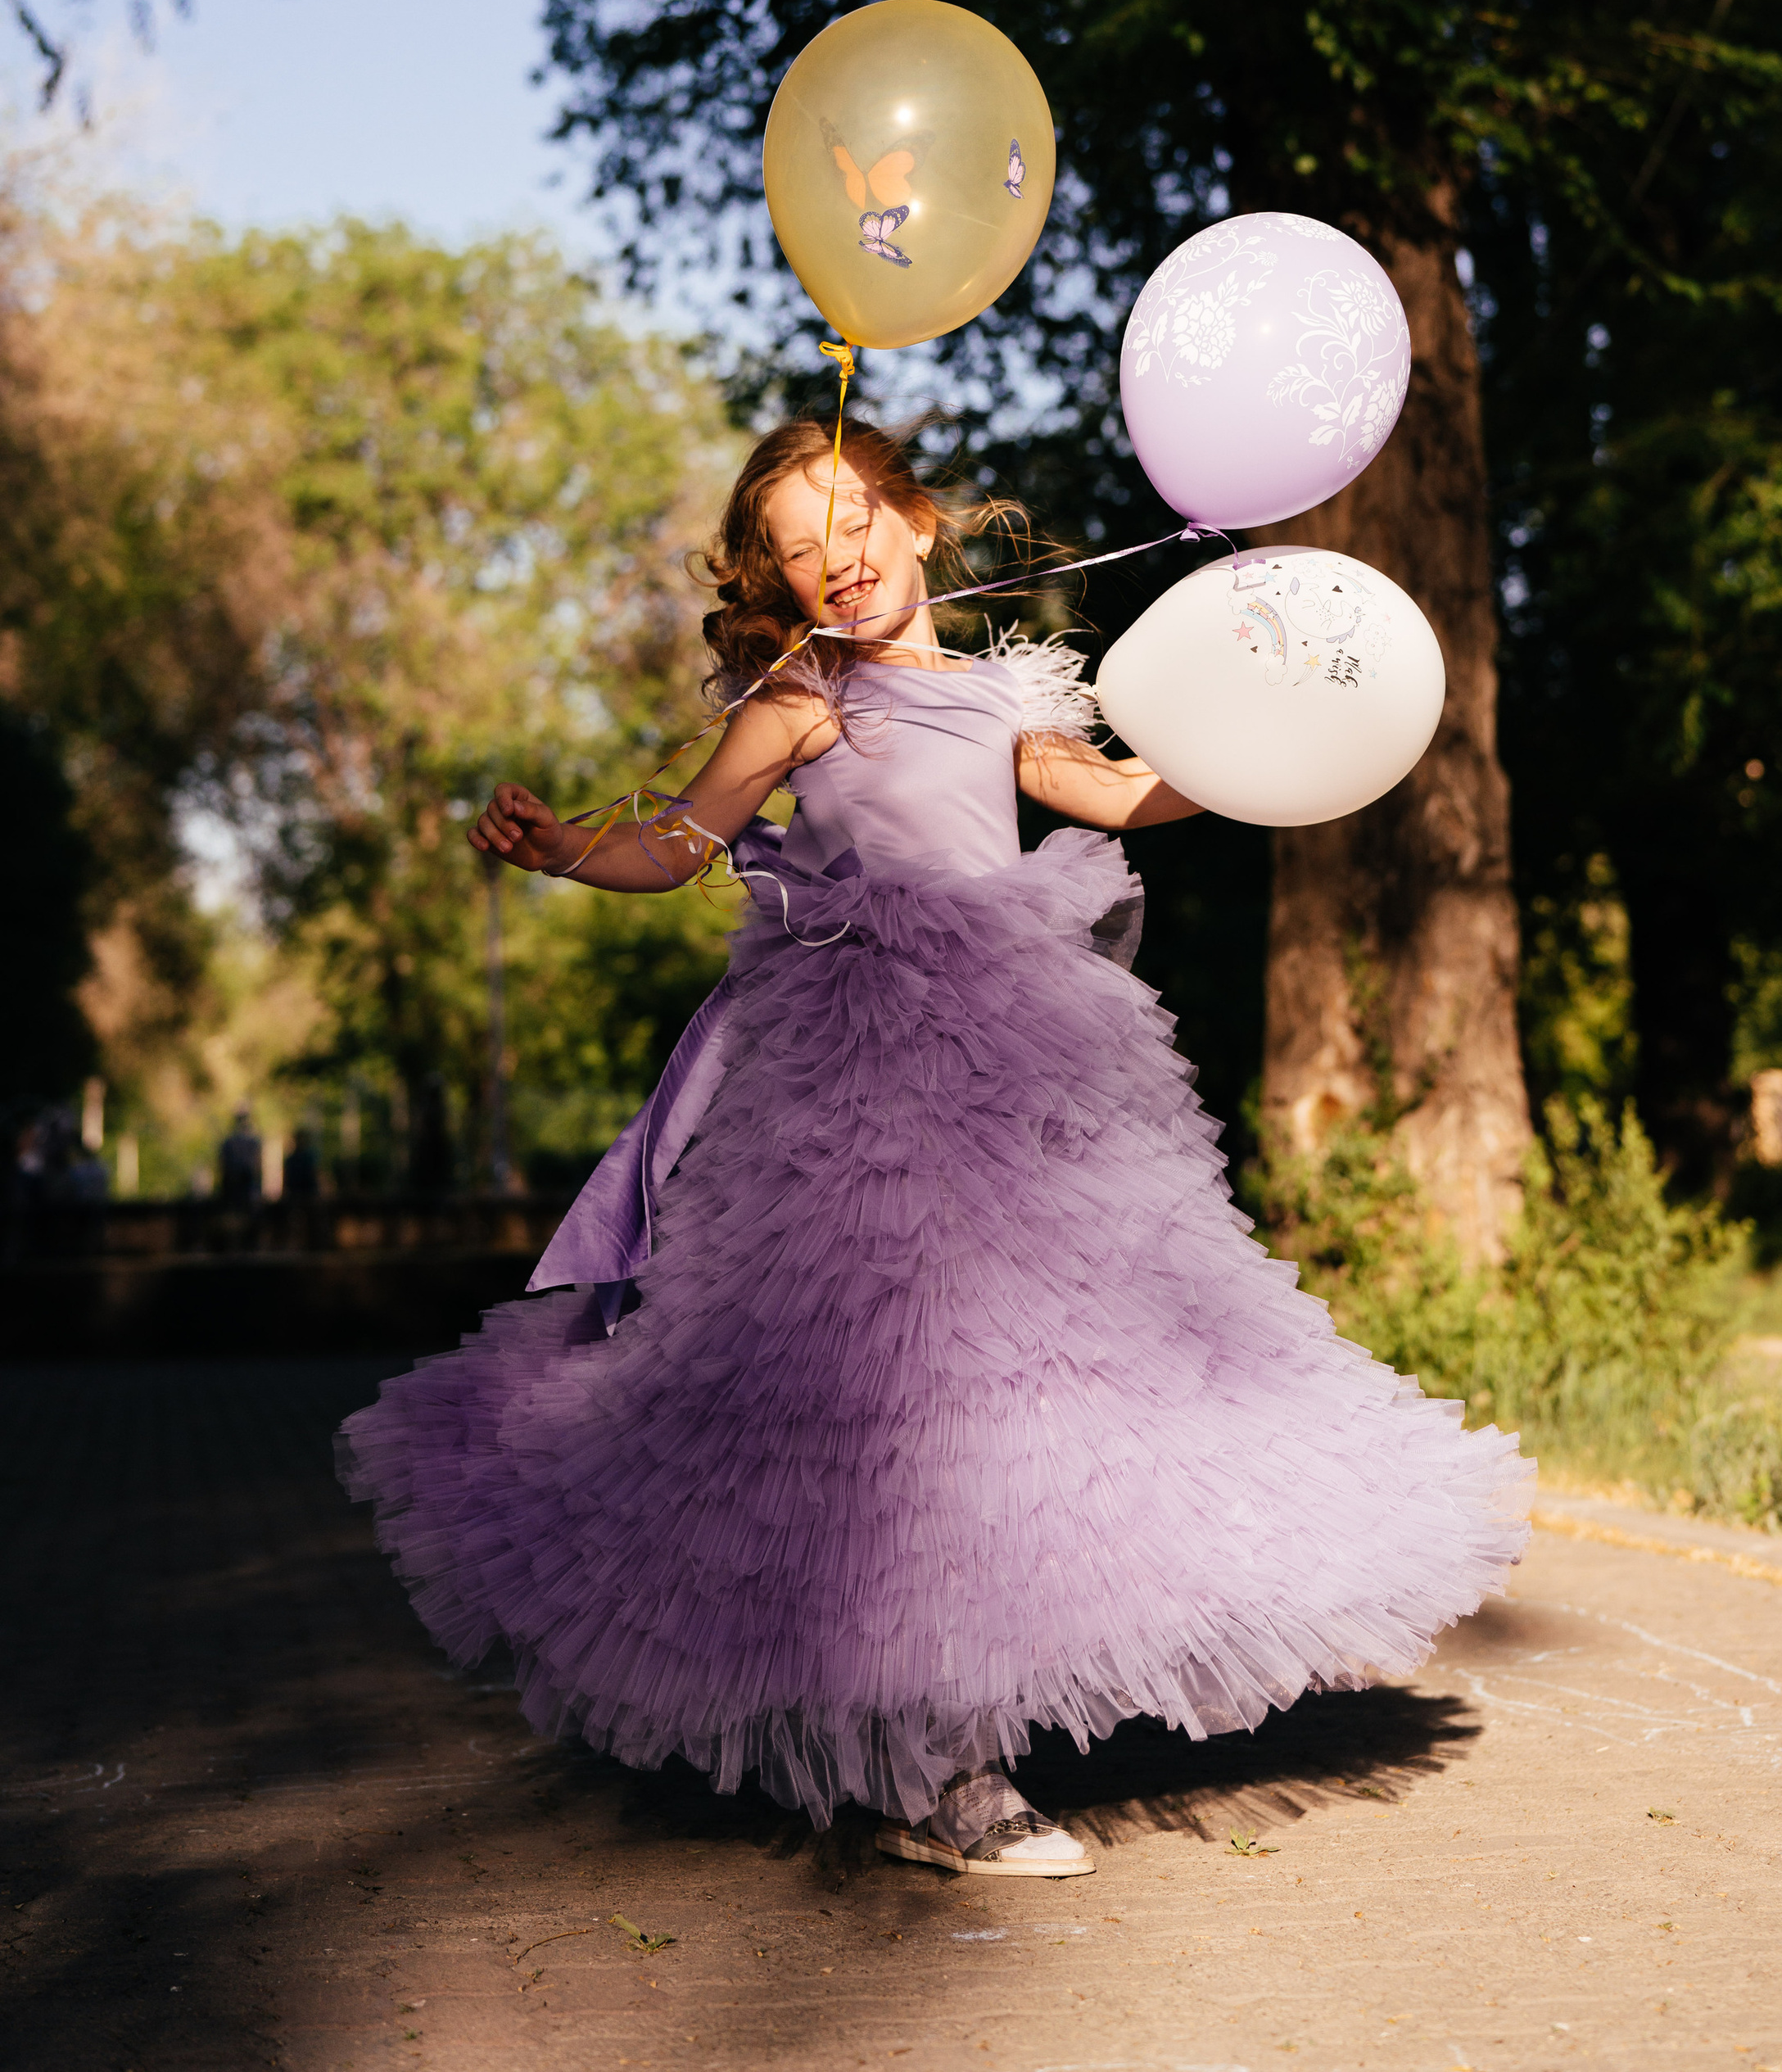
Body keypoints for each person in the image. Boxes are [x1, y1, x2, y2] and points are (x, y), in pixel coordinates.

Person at [337, 418, 1527, 1877]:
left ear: (915, 519)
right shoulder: (802, 695)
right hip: (856, 1074)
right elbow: (677, 844)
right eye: (794, 545)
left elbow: (1114, 793)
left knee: (1046, 1369)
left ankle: (961, 1733)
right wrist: (561, 847)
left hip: (1020, 1055)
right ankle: (944, 1773)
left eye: (851, 518)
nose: (834, 558)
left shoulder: (997, 690)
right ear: (774, 580)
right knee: (898, 1382)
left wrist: (1245, 748)